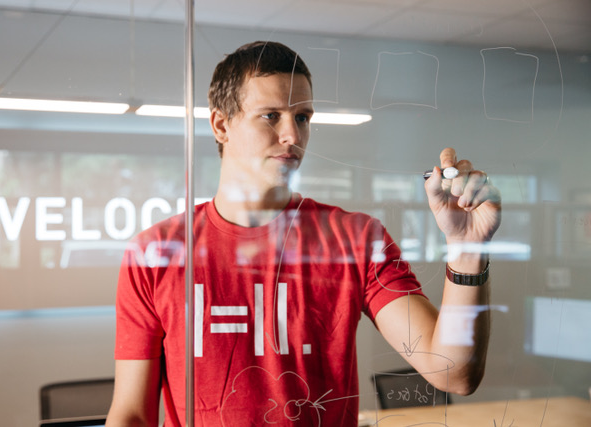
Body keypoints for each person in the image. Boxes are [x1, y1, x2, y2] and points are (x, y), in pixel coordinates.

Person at [106, 41, 501, 426]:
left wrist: (467, 250)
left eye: (303, 117)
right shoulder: (156, 252)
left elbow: (453, 373)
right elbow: (132, 414)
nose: (292, 135)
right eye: (270, 116)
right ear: (221, 124)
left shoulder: (356, 239)